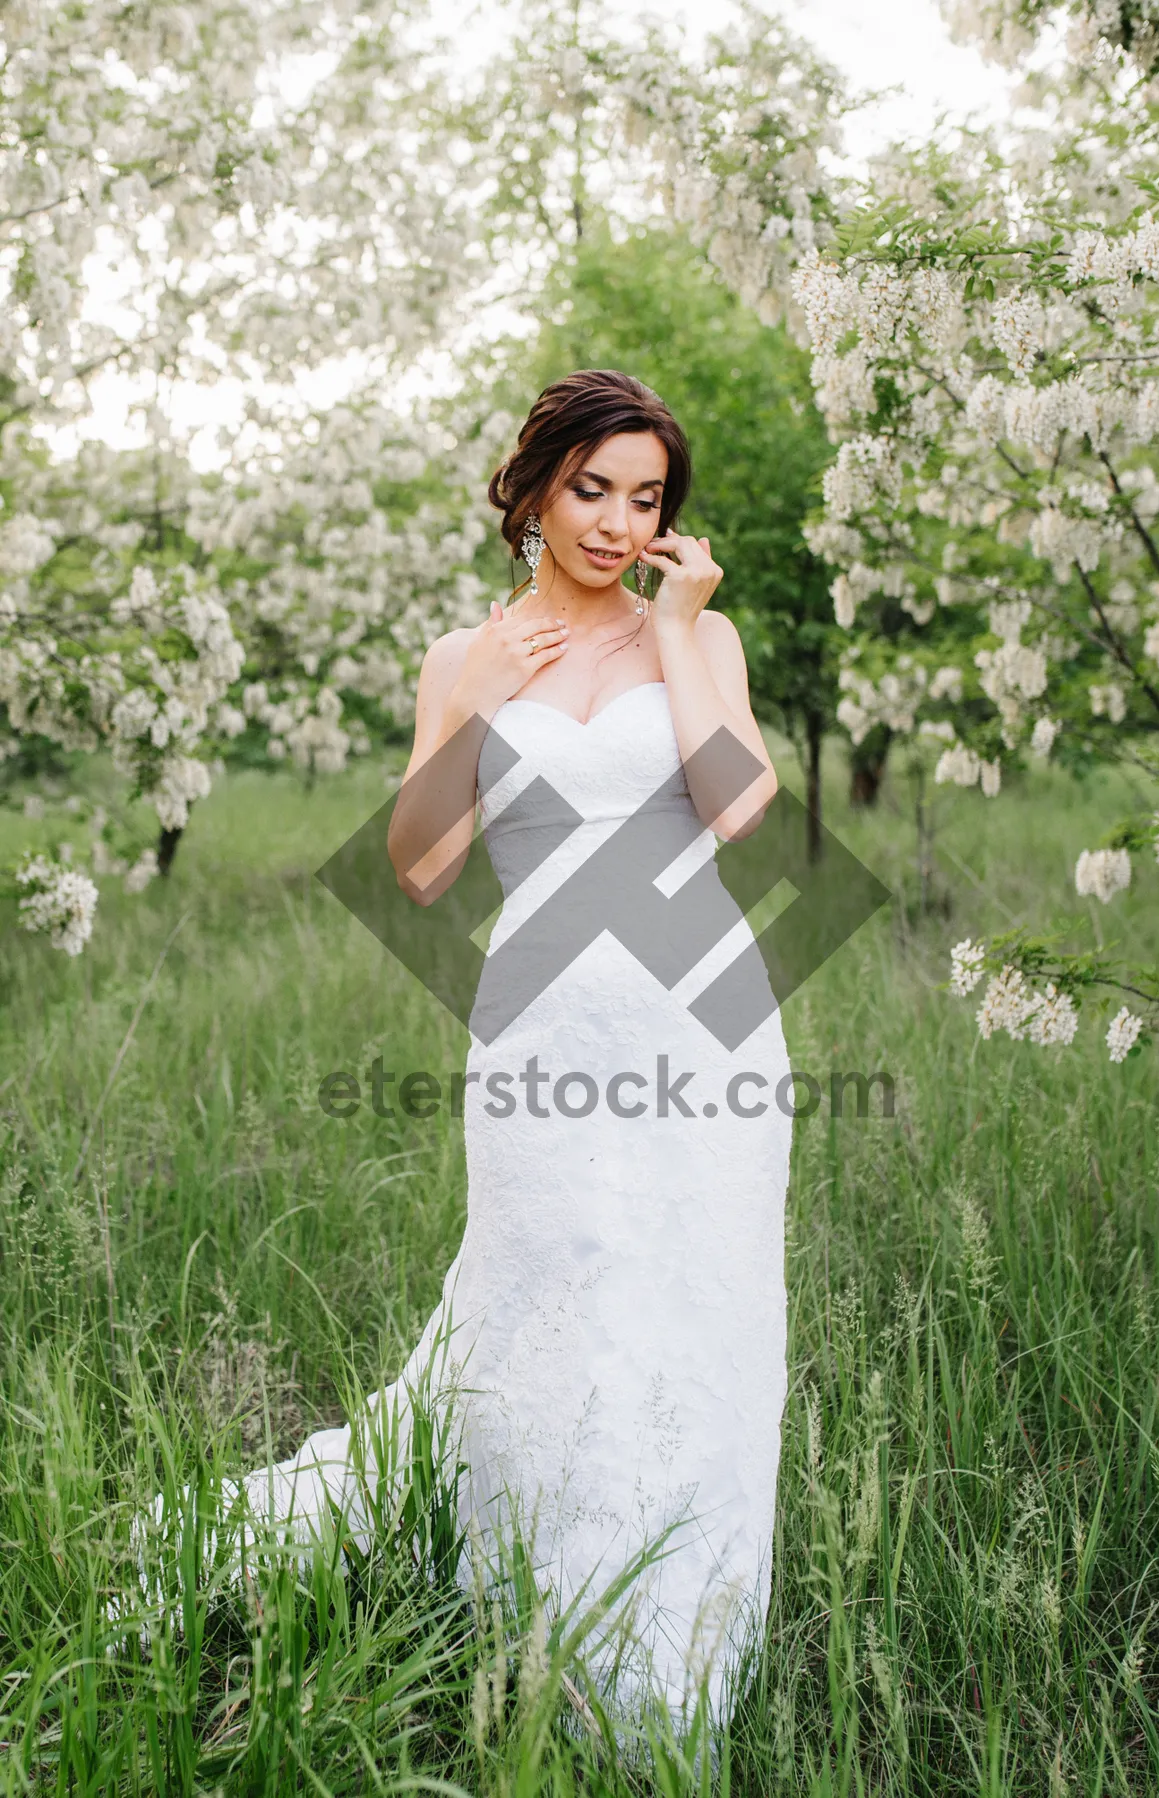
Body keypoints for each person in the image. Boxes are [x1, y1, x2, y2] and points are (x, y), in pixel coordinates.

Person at [233, 368, 792, 1739]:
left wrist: (677, 630)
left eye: (645, 497)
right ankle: (526, 1620)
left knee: (695, 1309)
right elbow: (420, 870)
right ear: (534, 485)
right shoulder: (462, 654)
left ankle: (682, 1651)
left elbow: (738, 815)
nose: (613, 521)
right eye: (591, 487)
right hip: (542, 1031)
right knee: (548, 1305)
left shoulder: (696, 638)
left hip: (705, 1031)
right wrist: (478, 696)